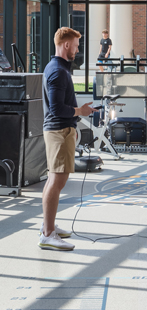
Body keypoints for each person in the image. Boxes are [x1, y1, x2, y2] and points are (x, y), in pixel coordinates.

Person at [40, 27, 95, 251]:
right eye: (76, 45)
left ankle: (48, 225)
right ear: (66, 45)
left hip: (60, 131)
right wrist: (79, 111)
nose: (77, 49)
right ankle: (48, 235)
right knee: (57, 181)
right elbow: (56, 109)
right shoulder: (58, 71)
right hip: (59, 131)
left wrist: (79, 110)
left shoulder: (58, 69)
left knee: (54, 180)